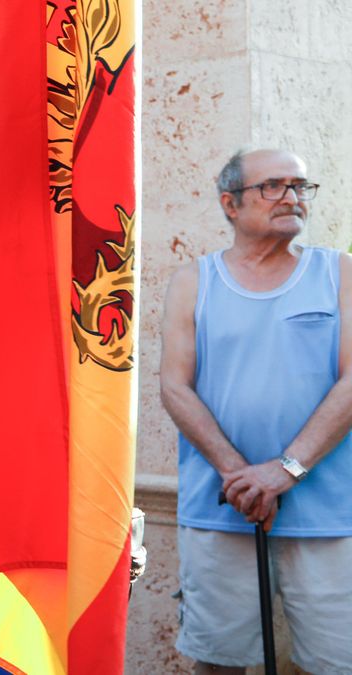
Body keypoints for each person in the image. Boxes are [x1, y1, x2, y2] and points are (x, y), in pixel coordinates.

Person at [160, 149, 352, 674]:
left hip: (329, 516)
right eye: (273, 186)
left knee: (337, 663)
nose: (291, 196)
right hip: (223, 508)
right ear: (230, 203)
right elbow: (175, 387)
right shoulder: (192, 282)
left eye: (300, 186)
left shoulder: (340, 273)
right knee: (218, 662)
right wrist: (237, 475)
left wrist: (285, 469)